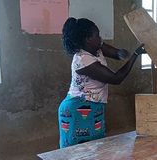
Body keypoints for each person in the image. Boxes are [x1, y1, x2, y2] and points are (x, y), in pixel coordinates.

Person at [58, 17, 146, 148]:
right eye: (97, 35)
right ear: (88, 39)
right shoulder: (83, 60)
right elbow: (116, 78)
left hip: (93, 106)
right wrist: (135, 55)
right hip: (77, 108)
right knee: (78, 151)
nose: (100, 38)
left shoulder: (95, 47)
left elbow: (117, 54)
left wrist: (122, 53)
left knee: (95, 148)